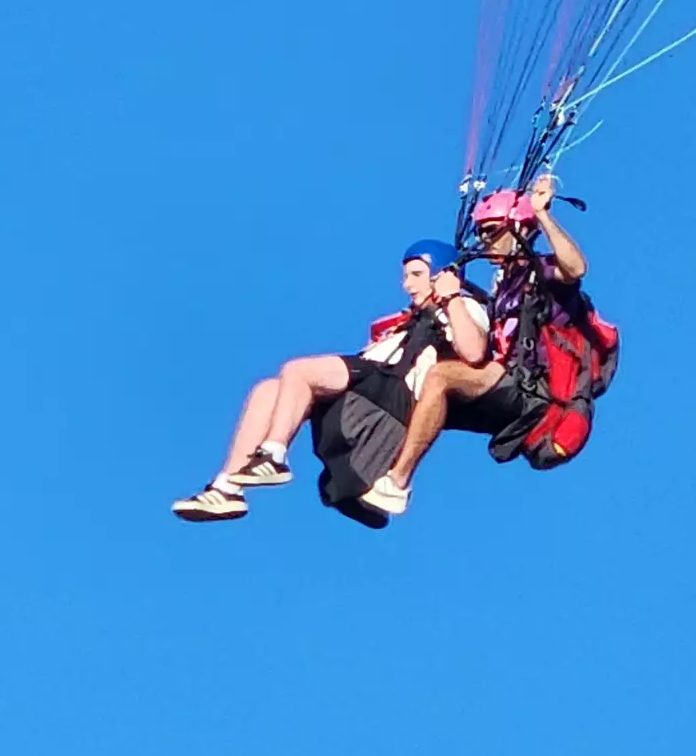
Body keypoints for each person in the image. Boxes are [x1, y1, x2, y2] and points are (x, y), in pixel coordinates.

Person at [171, 241, 488, 523]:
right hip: (371, 385)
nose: (407, 284)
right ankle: (227, 488)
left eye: (417, 274)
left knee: (298, 370)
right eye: (406, 276)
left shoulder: (463, 307)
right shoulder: (408, 319)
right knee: (268, 390)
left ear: (442, 274)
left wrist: (452, 297)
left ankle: (274, 456)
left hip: (392, 393)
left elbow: (473, 352)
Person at [361, 171, 616, 516]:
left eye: (493, 231)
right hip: (506, 388)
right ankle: (367, 478)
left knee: (441, 376)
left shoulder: (542, 275)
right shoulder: (502, 289)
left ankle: (398, 482)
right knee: (415, 392)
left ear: (519, 228)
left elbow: (576, 268)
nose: (485, 240)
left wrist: (542, 214)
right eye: (482, 232)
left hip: (534, 396)